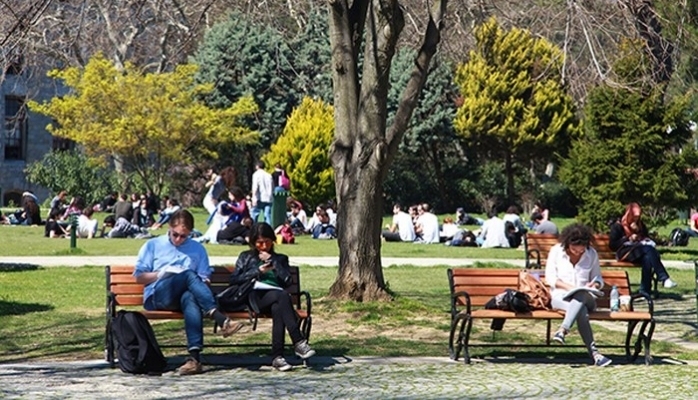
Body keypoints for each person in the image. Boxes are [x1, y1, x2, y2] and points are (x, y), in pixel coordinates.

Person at [133, 209, 244, 375]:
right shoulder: (153, 245)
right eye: (174, 234)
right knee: (187, 274)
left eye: (183, 236)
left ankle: (194, 358)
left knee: (190, 296)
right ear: (169, 228)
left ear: (190, 233)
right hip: (158, 295)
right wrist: (160, 274)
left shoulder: (197, 249)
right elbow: (139, 277)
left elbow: (204, 279)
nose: (178, 239)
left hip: (184, 296)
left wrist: (199, 282)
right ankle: (219, 318)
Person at [228, 222, 316, 371]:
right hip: (255, 298)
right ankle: (298, 341)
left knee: (278, 308)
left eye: (267, 242)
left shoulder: (281, 259)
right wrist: (257, 271)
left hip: (277, 299)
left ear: (273, 241)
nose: (264, 246)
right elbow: (234, 280)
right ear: (253, 242)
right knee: (282, 296)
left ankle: (277, 357)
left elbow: (288, 281)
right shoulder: (246, 257)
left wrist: (274, 263)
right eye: (259, 243)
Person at [545, 223, 612, 367]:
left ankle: (563, 329)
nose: (578, 253)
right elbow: (550, 278)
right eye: (574, 250)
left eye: (581, 251)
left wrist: (594, 285)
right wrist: (570, 288)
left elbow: (598, 278)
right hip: (561, 296)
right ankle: (595, 354)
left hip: (587, 297)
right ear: (567, 243)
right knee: (580, 310)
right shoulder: (556, 251)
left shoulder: (591, 253)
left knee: (581, 294)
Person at [608, 202, 677, 295]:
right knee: (648, 250)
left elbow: (646, 237)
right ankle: (663, 278)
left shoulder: (640, 225)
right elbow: (612, 245)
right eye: (633, 217)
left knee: (647, 258)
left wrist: (639, 232)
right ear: (628, 215)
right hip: (624, 252)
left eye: (637, 217)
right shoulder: (618, 226)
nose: (635, 220)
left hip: (639, 251)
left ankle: (645, 291)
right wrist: (627, 238)